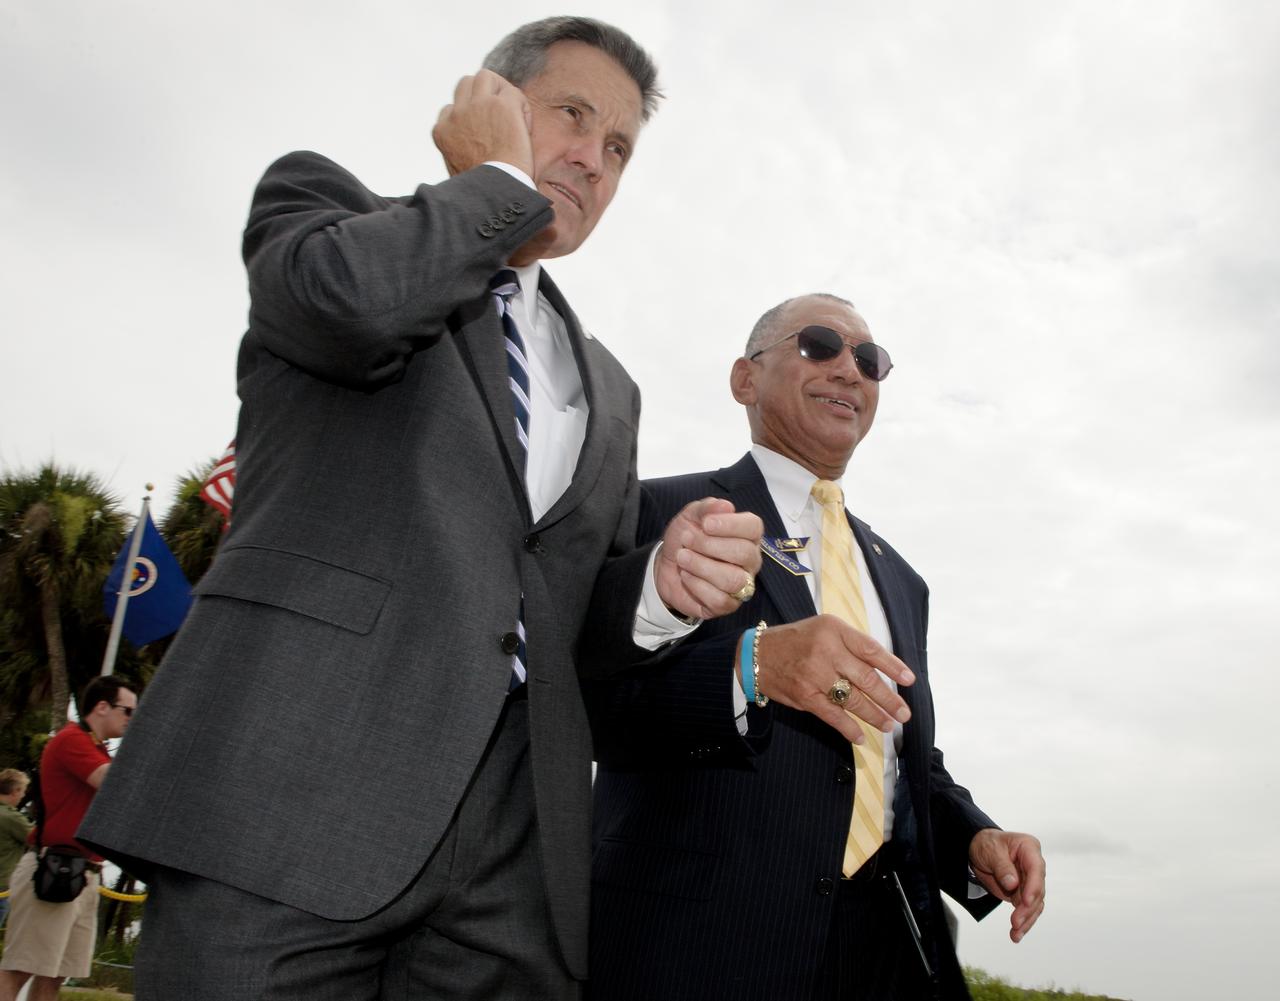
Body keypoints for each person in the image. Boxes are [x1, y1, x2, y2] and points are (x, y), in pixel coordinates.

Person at [79, 15, 761, 1001]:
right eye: (572, 114)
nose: (592, 159)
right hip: (287, 809)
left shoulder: (611, 390)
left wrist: (656, 586)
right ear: (487, 100)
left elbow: (569, 619)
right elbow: (342, 306)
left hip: (510, 866)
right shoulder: (322, 206)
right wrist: (492, 188)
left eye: (617, 148)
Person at [586, 293, 1046, 1001]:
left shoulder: (900, 576)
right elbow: (592, 704)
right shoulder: (651, 510)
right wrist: (754, 665)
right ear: (746, 379)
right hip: (703, 946)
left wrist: (972, 837)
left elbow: (899, 750)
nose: (850, 370)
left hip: (891, 947)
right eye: (820, 344)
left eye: (870, 361)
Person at [0, 678, 136, 1001]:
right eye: (128, 710)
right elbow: (108, 782)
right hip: (55, 867)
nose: (132, 717)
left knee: (54, 973)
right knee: (21, 968)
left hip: (82, 872)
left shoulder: (96, 750)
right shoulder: (72, 740)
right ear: (102, 707)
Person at [0, 769, 32, 930]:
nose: (23, 796)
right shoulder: (11, 818)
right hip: (2, 885)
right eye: (23, 791)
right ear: (15, 790)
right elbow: (36, 838)